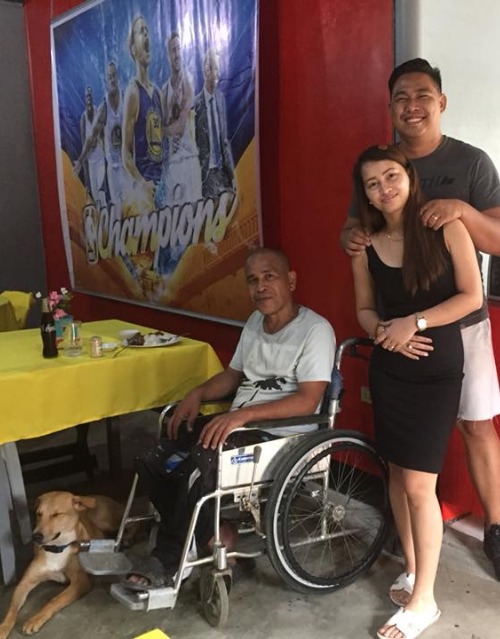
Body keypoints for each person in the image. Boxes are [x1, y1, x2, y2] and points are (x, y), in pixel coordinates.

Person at [340, 58, 500, 583]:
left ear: (441, 102)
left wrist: (461, 211)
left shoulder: (471, 162)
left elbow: (496, 241)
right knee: (403, 453)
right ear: (390, 108)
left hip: (460, 321)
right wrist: (350, 238)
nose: (412, 106)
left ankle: (496, 527)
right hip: (398, 333)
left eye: (423, 95)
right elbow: (355, 232)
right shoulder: (377, 164)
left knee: (476, 424)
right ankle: (412, 536)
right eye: (401, 98)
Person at [121, 247, 336, 590]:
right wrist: (197, 394)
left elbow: (308, 401)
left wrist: (243, 415)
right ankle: (213, 533)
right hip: (241, 423)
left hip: (280, 434)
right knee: (152, 458)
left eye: (269, 277)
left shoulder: (315, 330)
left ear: (291, 281)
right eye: (253, 280)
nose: (260, 287)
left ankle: (169, 557)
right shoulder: (254, 323)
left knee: (200, 461)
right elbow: (233, 375)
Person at [351, 144, 482, 639]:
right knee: (397, 473)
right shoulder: (365, 246)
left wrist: (416, 321)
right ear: (365, 195)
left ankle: (425, 600)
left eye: (391, 176)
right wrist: (386, 330)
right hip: (390, 367)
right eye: (372, 183)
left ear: (408, 176)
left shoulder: (445, 227)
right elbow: (364, 310)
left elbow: (471, 296)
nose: (384, 188)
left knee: (420, 486)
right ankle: (412, 569)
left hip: (437, 370)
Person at [74, 62, 125, 224]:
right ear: (106, 80)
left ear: (118, 77)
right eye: (109, 77)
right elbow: (91, 138)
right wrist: (81, 160)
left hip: (127, 165)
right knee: (117, 212)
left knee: (131, 208)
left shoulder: (127, 100)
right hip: (113, 168)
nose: (112, 79)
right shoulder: (103, 108)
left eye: (114, 76)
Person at [122, 14, 163, 210]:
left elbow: (163, 141)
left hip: (165, 188)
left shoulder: (158, 93)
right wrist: (142, 184)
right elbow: (125, 154)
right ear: (133, 49)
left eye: (147, 30)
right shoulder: (132, 92)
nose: (146, 34)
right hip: (146, 194)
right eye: (141, 31)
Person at [161, 32, 202, 206]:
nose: (177, 54)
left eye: (179, 49)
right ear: (168, 55)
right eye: (173, 50)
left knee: (194, 217)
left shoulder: (188, 82)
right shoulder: (164, 90)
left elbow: (179, 126)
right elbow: (163, 122)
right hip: (172, 164)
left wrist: (160, 132)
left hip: (189, 160)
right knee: (172, 218)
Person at [194, 48, 236, 199]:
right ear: (206, 71)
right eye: (215, 68)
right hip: (207, 176)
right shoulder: (196, 105)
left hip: (223, 173)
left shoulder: (220, 99)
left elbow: (224, 140)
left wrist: (232, 175)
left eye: (218, 68)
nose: (218, 73)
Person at [78, 85, 106, 208]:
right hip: (91, 162)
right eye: (86, 96)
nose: (88, 98)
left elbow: (104, 135)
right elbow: (84, 144)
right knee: (95, 196)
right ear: (84, 99)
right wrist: (85, 175)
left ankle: (107, 212)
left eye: (90, 96)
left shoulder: (98, 113)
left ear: (92, 97)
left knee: (101, 192)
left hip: (100, 159)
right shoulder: (83, 119)